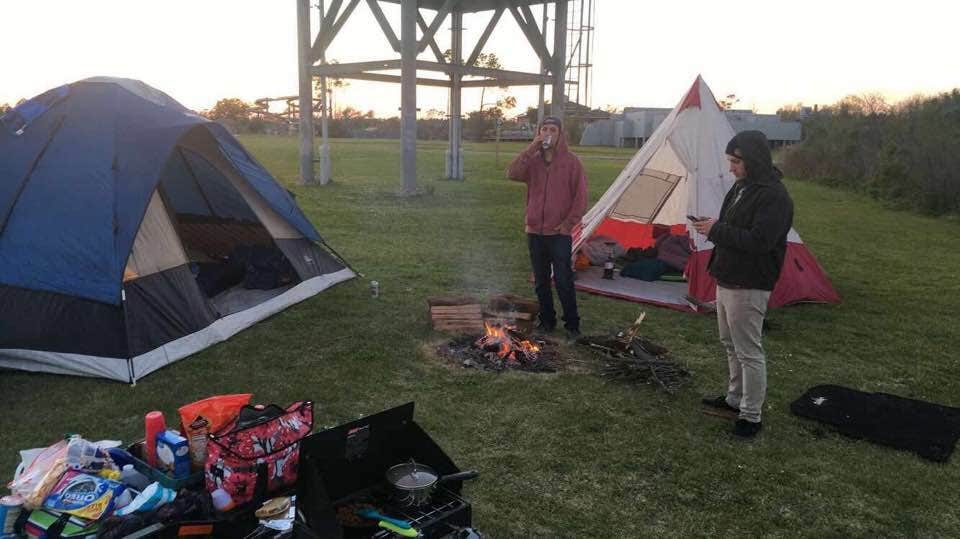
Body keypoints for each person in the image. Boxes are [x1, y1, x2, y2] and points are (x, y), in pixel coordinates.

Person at [691, 130, 794, 439]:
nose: (731, 167)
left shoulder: (774, 196)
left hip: (749, 282)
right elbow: (734, 227)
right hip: (728, 276)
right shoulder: (741, 187)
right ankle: (734, 399)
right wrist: (715, 227)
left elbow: (760, 241)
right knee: (729, 344)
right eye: (730, 161)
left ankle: (751, 415)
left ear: (753, 160)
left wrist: (716, 230)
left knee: (748, 350)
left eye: (736, 161)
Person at [506, 116, 588, 341]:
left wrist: (567, 225)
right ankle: (547, 321)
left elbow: (580, 198)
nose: (548, 133)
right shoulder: (532, 161)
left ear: (561, 134)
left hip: (559, 233)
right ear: (538, 132)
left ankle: (572, 324)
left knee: (563, 280)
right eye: (544, 129)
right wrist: (532, 147)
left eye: (553, 129)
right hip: (534, 231)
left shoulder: (572, 162)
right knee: (541, 281)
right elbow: (512, 173)